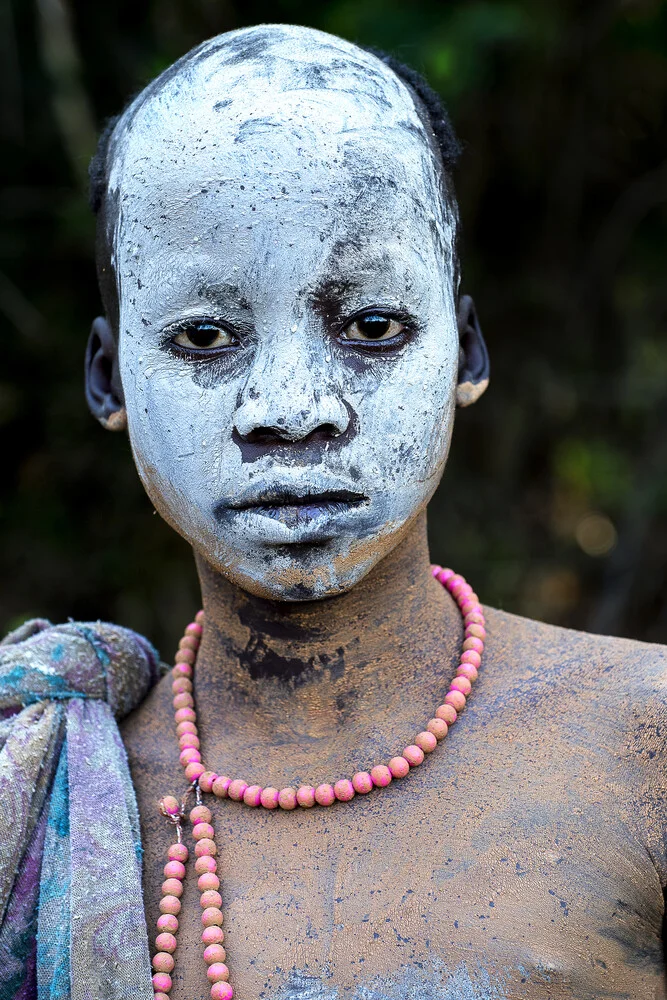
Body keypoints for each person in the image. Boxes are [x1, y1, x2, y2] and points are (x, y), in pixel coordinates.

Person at [1, 22, 665, 1000]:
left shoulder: (642, 747)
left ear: (466, 352)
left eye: (370, 326)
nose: (292, 409)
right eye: (206, 336)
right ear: (109, 378)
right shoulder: (40, 797)